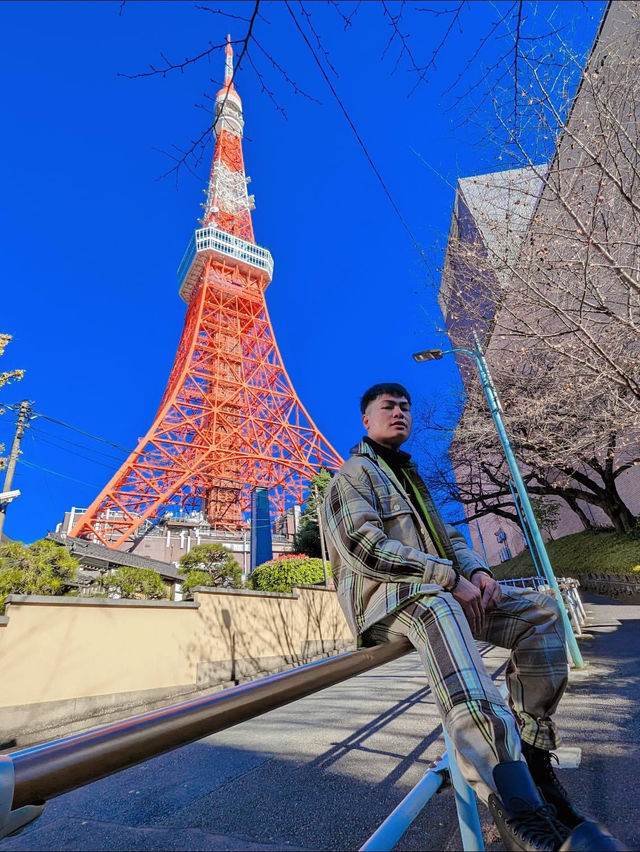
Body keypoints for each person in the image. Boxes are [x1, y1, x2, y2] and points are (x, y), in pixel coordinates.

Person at [321, 382, 625, 852]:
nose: (400, 412)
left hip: (439, 591)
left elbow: (452, 541)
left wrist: (479, 573)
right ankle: (517, 811)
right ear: (366, 419)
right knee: (439, 608)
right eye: (388, 407)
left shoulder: (408, 477)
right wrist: (448, 580)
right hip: (389, 601)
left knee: (542, 613)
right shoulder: (353, 475)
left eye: (406, 406)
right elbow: (365, 548)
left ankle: (532, 761)